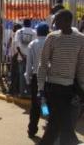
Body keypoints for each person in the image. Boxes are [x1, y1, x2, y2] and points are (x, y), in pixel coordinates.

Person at [37, 10, 84, 145]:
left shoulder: (80, 39)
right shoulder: (52, 37)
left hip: (70, 88)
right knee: (56, 122)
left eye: (57, 20)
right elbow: (43, 64)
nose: (54, 23)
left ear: (67, 21)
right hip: (53, 87)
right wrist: (40, 88)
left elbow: (81, 66)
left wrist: (81, 88)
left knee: (63, 123)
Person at [24, 23, 49, 138]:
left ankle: (32, 130)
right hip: (50, 78)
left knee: (35, 105)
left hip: (36, 78)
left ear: (37, 32)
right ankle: (49, 128)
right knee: (47, 102)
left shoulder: (32, 44)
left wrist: (28, 79)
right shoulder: (51, 43)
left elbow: (29, 64)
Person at [15, 19, 36, 97]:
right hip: (31, 58)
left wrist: (22, 55)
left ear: (23, 23)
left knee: (21, 75)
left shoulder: (19, 32)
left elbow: (17, 45)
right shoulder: (34, 32)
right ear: (30, 23)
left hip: (21, 57)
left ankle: (21, 93)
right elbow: (34, 45)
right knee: (30, 75)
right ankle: (29, 92)